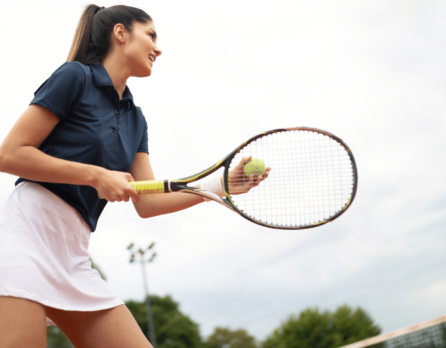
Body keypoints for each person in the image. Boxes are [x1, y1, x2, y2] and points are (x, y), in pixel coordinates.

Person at [0, 4, 267, 348]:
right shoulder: (74, 76)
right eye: (151, 35)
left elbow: (148, 203)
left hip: (74, 252)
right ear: (121, 33)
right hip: (24, 239)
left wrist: (221, 185)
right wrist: (96, 176)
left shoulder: (136, 119)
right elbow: (9, 154)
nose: (158, 47)